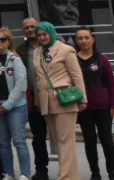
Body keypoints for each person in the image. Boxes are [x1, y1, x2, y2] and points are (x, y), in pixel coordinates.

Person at [32, 22, 86, 180]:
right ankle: (70, 175)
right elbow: (37, 78)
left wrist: (82, 98)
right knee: (58, 141)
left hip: (64, 98)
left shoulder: (65, 50)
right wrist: (37, 101)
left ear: (51, 33)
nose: (42, 37)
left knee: (65, 140)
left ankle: (66, 176)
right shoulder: (37, 52)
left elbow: (76, 75)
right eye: (39, 35)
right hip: (46, 101)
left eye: (45, 34)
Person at [0, 27, 31, 180]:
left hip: (15, 106)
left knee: (19, 141)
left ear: (8, 41)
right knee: (3, 143)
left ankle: (25, 173)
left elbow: (21, 85)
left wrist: (8, 105)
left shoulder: (15, 60)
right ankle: (8, 173)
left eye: (2, 39)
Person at [73, 28, 114, 180]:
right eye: (80, 38)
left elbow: (111, 82)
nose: (84, 41)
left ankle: (112, 172)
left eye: (87, 37)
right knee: (90, 141)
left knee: (107, 140)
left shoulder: (102, 59)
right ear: (76, 41)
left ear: (92, 39)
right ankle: (95, 172)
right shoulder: (74, 59)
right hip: (84, 107)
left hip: (103, 107)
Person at [16, 17, 51, 180]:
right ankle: (41, 170)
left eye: (33, 26)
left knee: (60, 138)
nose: (30, 29)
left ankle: (67, 170)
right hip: (33, 101)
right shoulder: (20, 50)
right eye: (27, 27)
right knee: (38, 138)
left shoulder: (51, 46)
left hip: (52, 99)